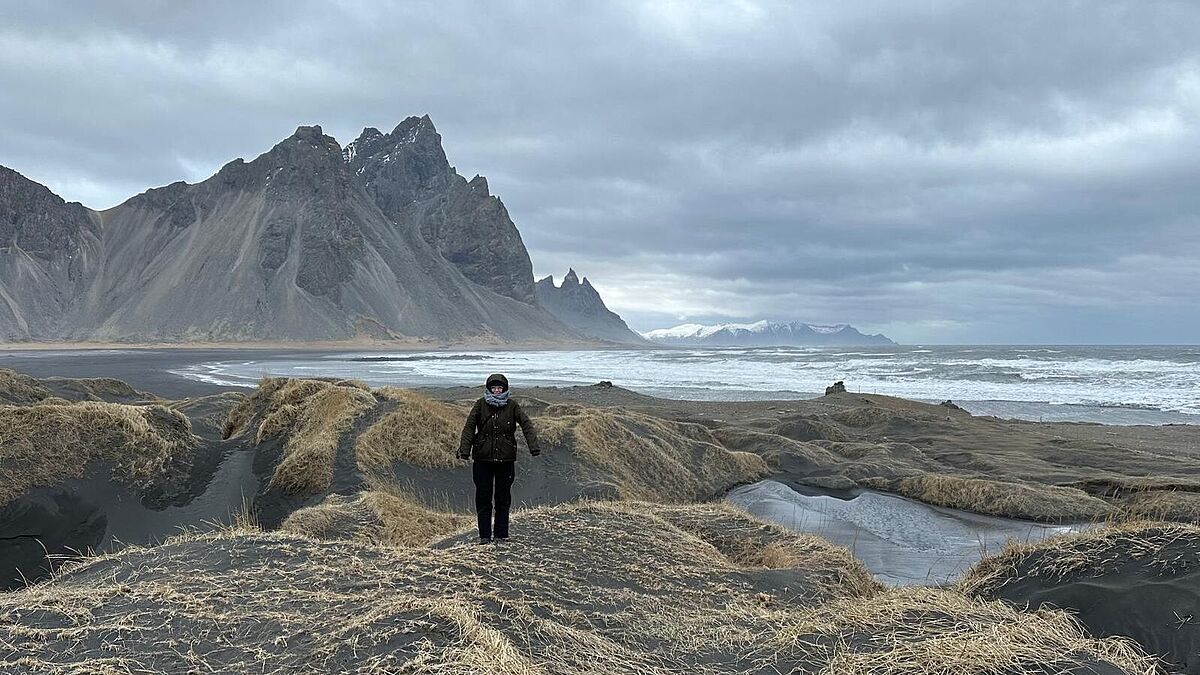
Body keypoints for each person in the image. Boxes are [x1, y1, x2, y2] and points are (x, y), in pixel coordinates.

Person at [457, 373, 541, 545]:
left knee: (503, 499)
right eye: (493, 388)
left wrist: (534, 447)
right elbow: (469, 427)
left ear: (505, 389)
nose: (496, 391)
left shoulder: (512, 406)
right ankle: (485, 536)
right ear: (489, 389)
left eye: (500, 388)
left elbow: (527, 424)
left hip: (506, 460)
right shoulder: (480, 405)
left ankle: (501, 535)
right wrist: (465, 451)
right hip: (482, 460)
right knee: (483, 498)